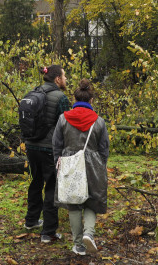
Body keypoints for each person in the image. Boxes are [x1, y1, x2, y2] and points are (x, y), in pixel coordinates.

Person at [52, 79, 109, 256]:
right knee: (92, 200)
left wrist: (58, 164)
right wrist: (101, 165)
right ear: (91, 100)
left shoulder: (63, 119)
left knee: (74, 204)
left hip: (69, 163)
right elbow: (104, 149)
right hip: (93, 165)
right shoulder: (99, 121)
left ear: (74, 99)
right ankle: (88, 234)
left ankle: (78, 245)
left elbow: (56, 145)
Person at [24, 64, 70, 243]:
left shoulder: (33, 93)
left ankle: (31, 220)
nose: (66, 79)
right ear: (57, 79)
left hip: (31, 146)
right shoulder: (61, 97)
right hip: (49, 148)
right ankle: (48, 232)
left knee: (35, 182)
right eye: (64, 76)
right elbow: (66, 125)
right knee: (51, 186)